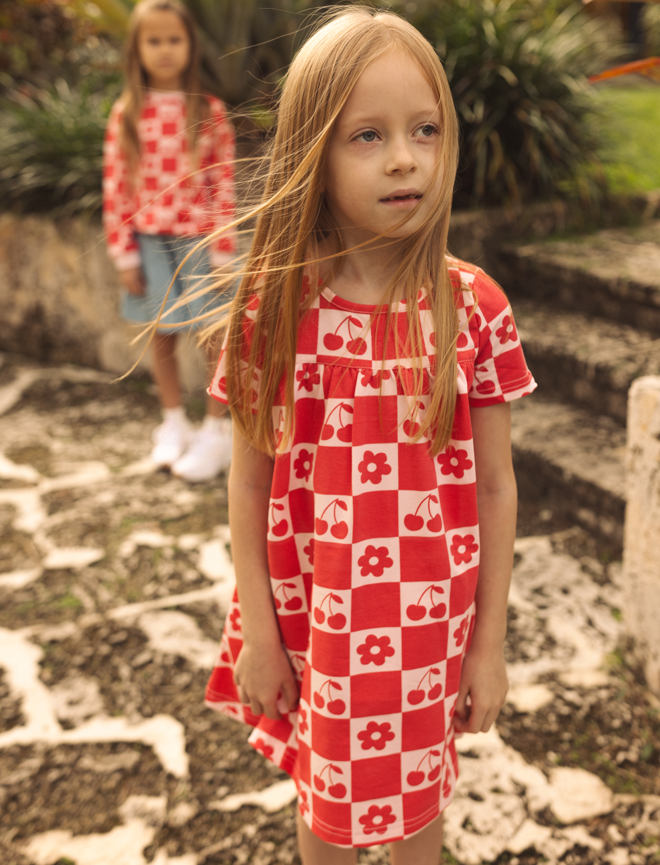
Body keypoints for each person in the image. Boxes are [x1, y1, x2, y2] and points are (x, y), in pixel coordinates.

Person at [203, 6, 536, 863]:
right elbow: (247, 482)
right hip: (312, 618)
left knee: (418, 804)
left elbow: (496, 486)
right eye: (367, 135)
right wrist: (262, 633)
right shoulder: (274, 312)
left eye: (424, 129)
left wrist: (488, 645)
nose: (403, 157)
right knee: (327, 807)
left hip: (428, 627)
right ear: (312, 152)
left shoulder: (474, 310)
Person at [103, 0, 237, 482]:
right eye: (153, 40)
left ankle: (216, 429)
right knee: (157, 329)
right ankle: (172, 420)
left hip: (199, 240)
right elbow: (116, 185)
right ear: (137, 49)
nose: (164, 49)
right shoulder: (126, 115)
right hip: (148, 240)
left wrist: (224, 247)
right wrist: (123, 252)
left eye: (173, 39)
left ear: (190, 45)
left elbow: (223, 182)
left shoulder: (210, 112)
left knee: (210, 332)